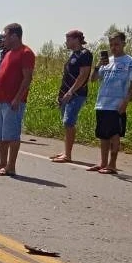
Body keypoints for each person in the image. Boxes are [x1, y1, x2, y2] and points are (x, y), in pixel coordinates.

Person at [0, 23, 35, 176]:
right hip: (1, 100)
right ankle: (2, 162)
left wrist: (18, 98)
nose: (3, 39)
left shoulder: (25, 53)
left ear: (14, 36)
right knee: (1, 134)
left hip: (13, 102)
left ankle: (11, 166)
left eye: (5, 35)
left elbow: (27, 78)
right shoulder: (8, 53)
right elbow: (1, 76)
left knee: (12, 135)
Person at [88, 30, 132, 174]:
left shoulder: (131, 62)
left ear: (124, 43)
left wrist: (125, 102)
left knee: (114, 134)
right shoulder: (107, 62)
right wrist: (98, 65)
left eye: (116, 44)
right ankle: (103, 163)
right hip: (102, 103)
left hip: (117, 105)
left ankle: (112, 164)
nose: (113, 47)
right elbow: (93, 79)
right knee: (103, 135)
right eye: (111, 44)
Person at [51, 29, 93, 163]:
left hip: (76, 94)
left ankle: (68, 155)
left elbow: (83, 75)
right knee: (66, 123)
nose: (66, 42)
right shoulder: (73, 55)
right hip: (65, 94)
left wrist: (71, 92)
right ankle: (65, 151)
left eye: (68, 39)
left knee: (69, 122)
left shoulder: (85, 54)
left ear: (76, 39)